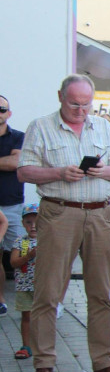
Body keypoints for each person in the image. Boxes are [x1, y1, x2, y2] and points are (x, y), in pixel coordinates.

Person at [17, 74, 110, 372]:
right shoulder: (40, 127)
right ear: (60, 97)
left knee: (101, 293)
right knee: (48, 293)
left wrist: (102, 170)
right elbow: (24, 171)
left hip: (101, 214)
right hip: (58, 213)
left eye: (86, 104)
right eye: (74, 104)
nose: (81, 110)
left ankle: (104, 362)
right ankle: (44, 363)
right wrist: (58, 172)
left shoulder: (104, 126)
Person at [0, 94, 25, 317]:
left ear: (9, 113)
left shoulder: (18, 137)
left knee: (17, 250)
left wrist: (9, 161)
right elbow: (7, 162)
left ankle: (25, 293)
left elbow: (15, 163)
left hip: (11, 203)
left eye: (2, 109)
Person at [11, 203, 38, 359]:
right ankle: (26, 346)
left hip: (41, 286)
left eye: (37, 221)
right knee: (26, 317)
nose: (33, 226)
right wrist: (28, 256)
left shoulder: (48, 240)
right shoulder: (20, 242)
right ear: (23, 224)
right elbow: (14, 262)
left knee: (42, 317)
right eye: (28, 222)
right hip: (24, 286)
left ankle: (42, 345)